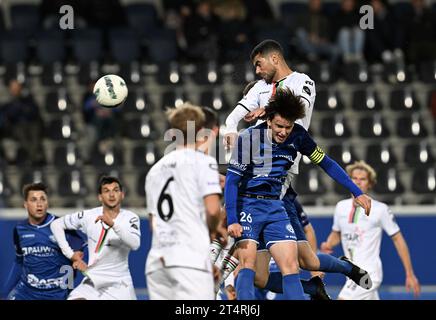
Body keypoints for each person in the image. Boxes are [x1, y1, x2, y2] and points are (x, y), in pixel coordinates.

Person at [224, 88, 372, 300]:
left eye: (288, 126)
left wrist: (356, 191)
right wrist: (232, 219)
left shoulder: (299, 136)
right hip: (247, 205)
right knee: (249, 266)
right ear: (268, 120)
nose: (284, 132)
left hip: (276, 206)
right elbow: (232, 180)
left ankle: (345, 269)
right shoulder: (249, 139)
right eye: (279, 126)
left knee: (292, 265)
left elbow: (326, 163)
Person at [145, 103, 223, 300]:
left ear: (173, 132)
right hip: (190, 260)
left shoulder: (154, 170)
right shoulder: (204, 162)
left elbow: (154, 223)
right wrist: (213, 232)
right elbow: (213, 211)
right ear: (200, 131)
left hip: (158, 263)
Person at [321, 160, 421, 300]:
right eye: (354, 178)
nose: (358, 182)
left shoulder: (380, 209)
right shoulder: (340, 207)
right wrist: (328, 244)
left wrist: (409, 273)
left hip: (368, 273)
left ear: (370, 183)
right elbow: (337, 233)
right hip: (350, 273)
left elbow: (398, 239)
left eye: (363, 179)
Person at [50, 176, 140, 300]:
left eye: (115, 190)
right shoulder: (88, 216)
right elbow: (56, 224)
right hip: (92, 281)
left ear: (122, 194)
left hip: (119, 284)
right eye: (106, 191)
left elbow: (135, 244)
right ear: (100, 197)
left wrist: (113, 224)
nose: (112, 194)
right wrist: (70, 254)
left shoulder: (131, 218)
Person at [0, 182, 85, 300]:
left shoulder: (61, 226)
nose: (39, 204)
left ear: (47, 203)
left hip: (56, 294)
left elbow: (80, 252)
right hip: (26, 293)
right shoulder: (19, 230)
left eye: (43, 199)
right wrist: (4, 293)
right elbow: (19, 262)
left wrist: (76, 259)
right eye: (34, 200)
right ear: (25, 204)